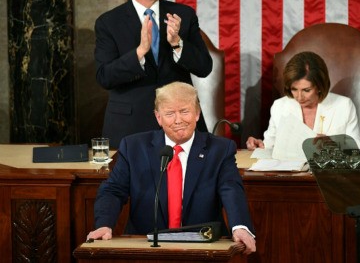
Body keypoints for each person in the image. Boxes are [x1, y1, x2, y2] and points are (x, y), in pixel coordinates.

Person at [87, 81, 256, 255]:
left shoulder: (220, 149)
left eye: (184, 111)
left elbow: (231, 189)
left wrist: (240, 226)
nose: (178, 120)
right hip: (145, 247)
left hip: (203, 248)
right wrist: (104, 225)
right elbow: (113, 190)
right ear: (158, 118)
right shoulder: (134, 147)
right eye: (169, 114)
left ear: (197, 113)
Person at [94, 0, 212, 148]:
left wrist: (177, 43)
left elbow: (204, 67)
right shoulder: (109, 22)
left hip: (180, 126)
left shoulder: (183, 15)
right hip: (130, 127)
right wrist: (139, 52)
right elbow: (104, 76)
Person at [246, 51, 360, 151]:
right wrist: (259, 145)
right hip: (290, 175)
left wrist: (333, 143)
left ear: (319, 85)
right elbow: (269, 146)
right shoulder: (280, 106)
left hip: (329, 174)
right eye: (294, 89)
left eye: (306, 90)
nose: (299, 97)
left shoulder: (343, 105)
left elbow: (359, 150)